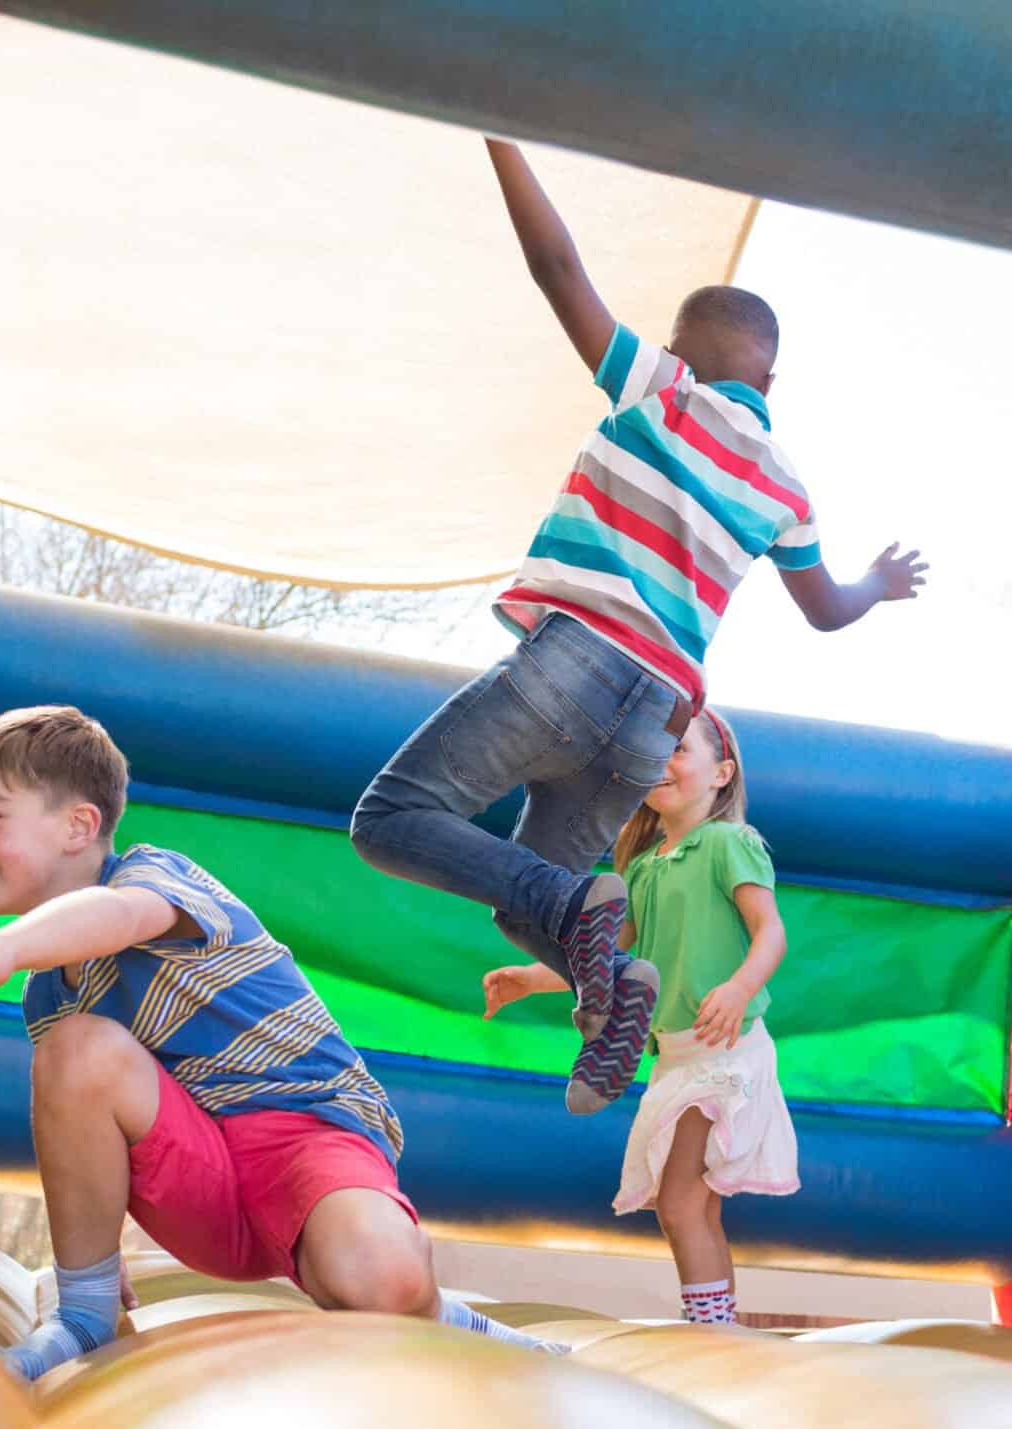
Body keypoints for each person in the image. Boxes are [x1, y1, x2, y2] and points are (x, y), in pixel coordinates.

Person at [351, 137, 926, 1118]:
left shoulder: (661, 388)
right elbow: (825, 611)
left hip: (575, 661)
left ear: (680, 351)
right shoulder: (784, 485)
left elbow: (557, 270)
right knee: (528, 894)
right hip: (655, 716)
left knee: (394, 819)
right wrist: (875, 582)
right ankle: (616, 993)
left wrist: (498, 134)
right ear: (771, 385)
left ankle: (586, 935)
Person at [0, 705, 562, 1380]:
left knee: (378, 1279)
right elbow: (88, 1130)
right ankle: (84, 1316)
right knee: (75, 1051)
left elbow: (117, 917)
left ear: (79, 825)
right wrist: (96, 1256)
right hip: (205, 1186)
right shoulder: (52, 996)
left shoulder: (154, 878)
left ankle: (437, 1312)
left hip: (307, 1136)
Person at [482, 710, 795, 1327]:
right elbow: (611, 957)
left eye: (680, 751)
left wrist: (738, 986)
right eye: (658, 754)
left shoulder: (729, 843)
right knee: (688, 1205)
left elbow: (771, 933)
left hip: (726, 1053)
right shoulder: (646, 867)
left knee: (681, 1200)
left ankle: (711, 1328)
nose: (665, 763)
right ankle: (718, 1321)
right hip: (676, 1056)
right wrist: (529, 980)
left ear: (720, 773)